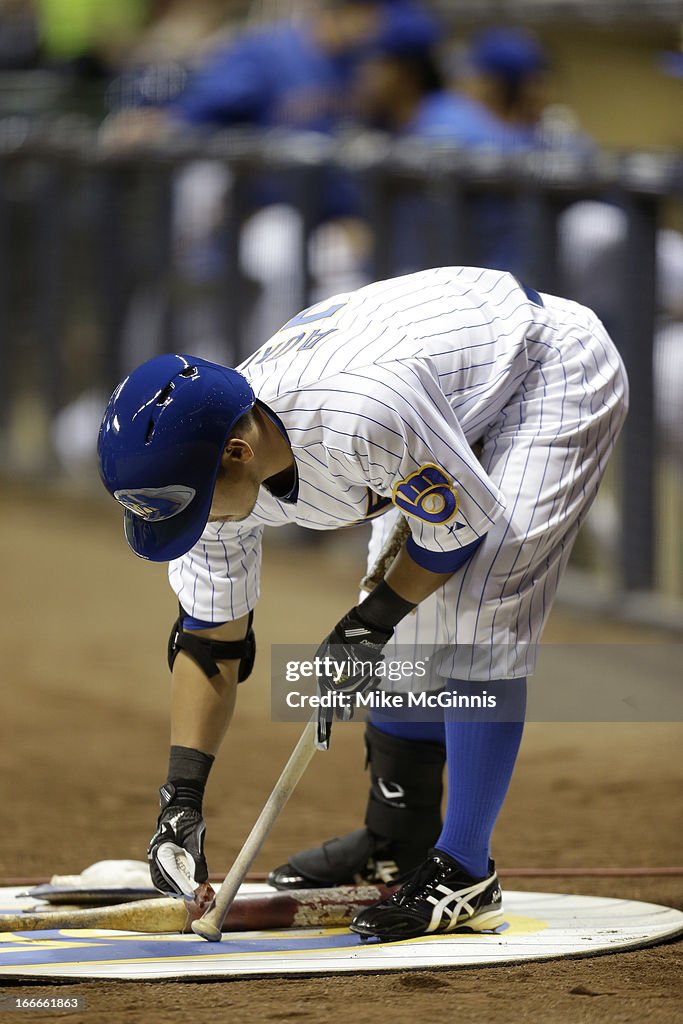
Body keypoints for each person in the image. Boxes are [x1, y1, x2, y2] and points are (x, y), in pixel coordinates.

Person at [98, 266, 628, 940]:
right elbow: (210, 638)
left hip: (543, 370)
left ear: (237, 453)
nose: (194, 526)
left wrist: (366, 623)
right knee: (401, 632)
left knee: (480, 607)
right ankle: (398, 842)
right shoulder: (213, 471)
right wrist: (181, 801)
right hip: (438, 395)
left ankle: (465, 869)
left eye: (192, 510)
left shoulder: (355, 414)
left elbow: (456, 529)